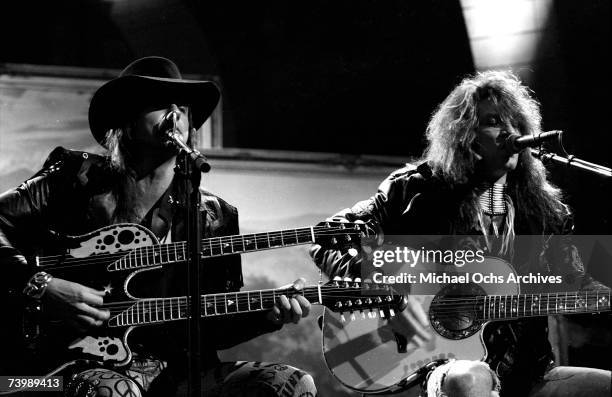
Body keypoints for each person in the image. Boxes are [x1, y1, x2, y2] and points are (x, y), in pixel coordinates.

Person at [0, 56, 316, 397]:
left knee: (291, 384)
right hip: (45, 372)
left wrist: (265, 316)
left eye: (181, 106)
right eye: (159, 103)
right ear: (126, 120)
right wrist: (41, 286)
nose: (174, 113)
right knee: (113, 392)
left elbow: (210, 325)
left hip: (173, 375)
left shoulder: (214, 215)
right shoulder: (74, 178)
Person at [311, 71, 610, 397]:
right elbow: (329, 236)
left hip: (528, 372)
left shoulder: (545, 212)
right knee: (472, 379)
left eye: (514, 122)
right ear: (465, 135)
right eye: (494, 121)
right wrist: (388, 281)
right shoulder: (416, 190)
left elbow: (575, 283)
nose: (509, 131)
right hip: (433, 366)